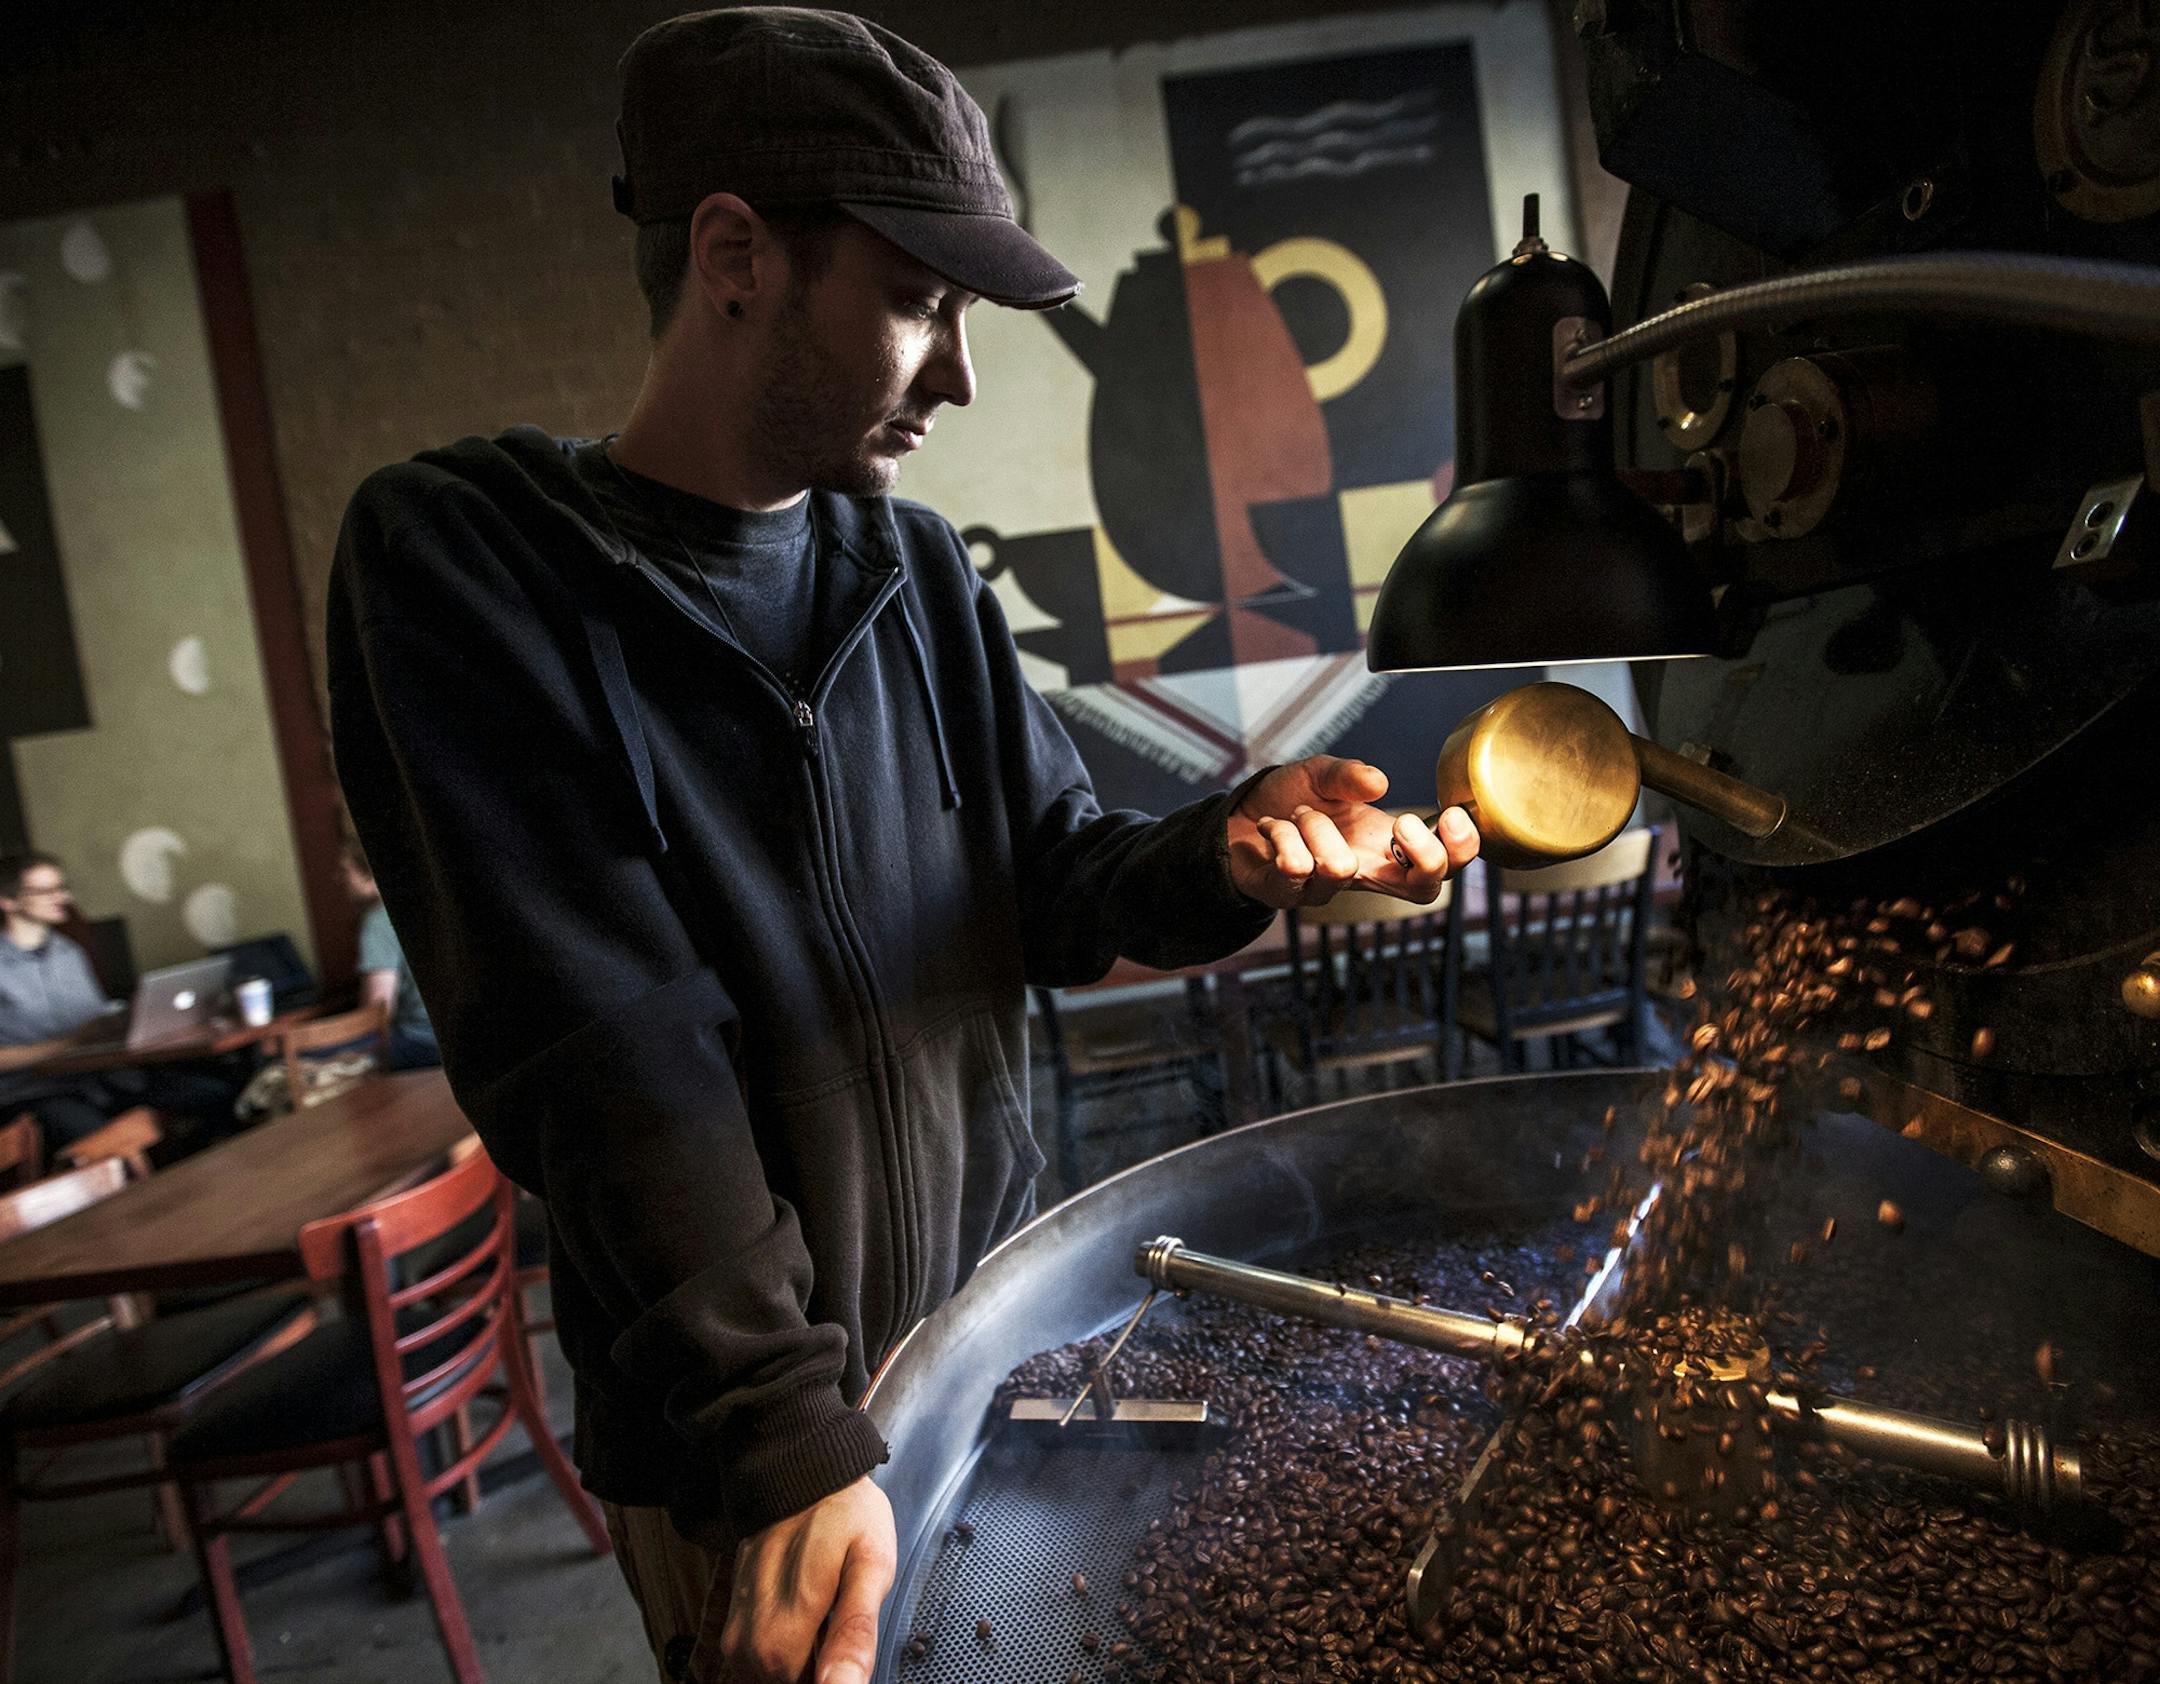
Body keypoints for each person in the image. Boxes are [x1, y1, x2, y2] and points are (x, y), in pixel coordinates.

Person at [326, 11, 1481, 1684]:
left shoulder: (915, 569)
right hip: (752, 1427)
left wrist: (1232, 851)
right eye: (924, 302)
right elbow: (610, 1047)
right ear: (735, 255)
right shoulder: (471, 565)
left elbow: (1062, 883)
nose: (958, 370)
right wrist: (787, 1430)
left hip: (984, 1342)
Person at [0, 851, 244, 1154]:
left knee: (218, 1096)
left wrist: (130, 1017)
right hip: (35, 1093)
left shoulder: (69, 952)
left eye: (61, 887)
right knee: (101, 1137)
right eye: (45, 891)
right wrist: (66, 1044)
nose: (61, 897)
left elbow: (95, 1016)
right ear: (7, 901)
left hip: (103, 1078)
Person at [340, 842, 441, 1070]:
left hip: (421, 1045)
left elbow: (378, 1011)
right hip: (457, 1041)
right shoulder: (425, 904)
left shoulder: (378, 920)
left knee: (293, 1061)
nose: (341, 880)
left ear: (369, 873)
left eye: (346, 871)